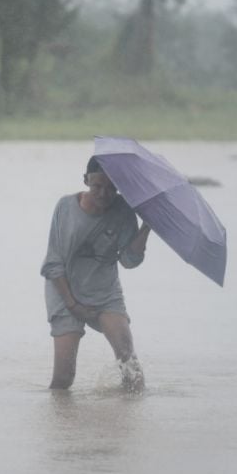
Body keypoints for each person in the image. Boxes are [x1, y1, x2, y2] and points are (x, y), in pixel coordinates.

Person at [40, 156, 151, 392]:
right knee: (63, 379)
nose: (103, 194)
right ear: (86, 181)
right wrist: (72, 305)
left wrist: (147, 227)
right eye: (97, 186)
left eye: (111, 188)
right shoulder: (65, 207)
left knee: (132, 370)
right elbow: (52, 264)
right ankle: (61, 427)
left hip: (104, 293)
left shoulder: (123, 211)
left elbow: (129, 261)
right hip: (63, 291)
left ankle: (128, 424)